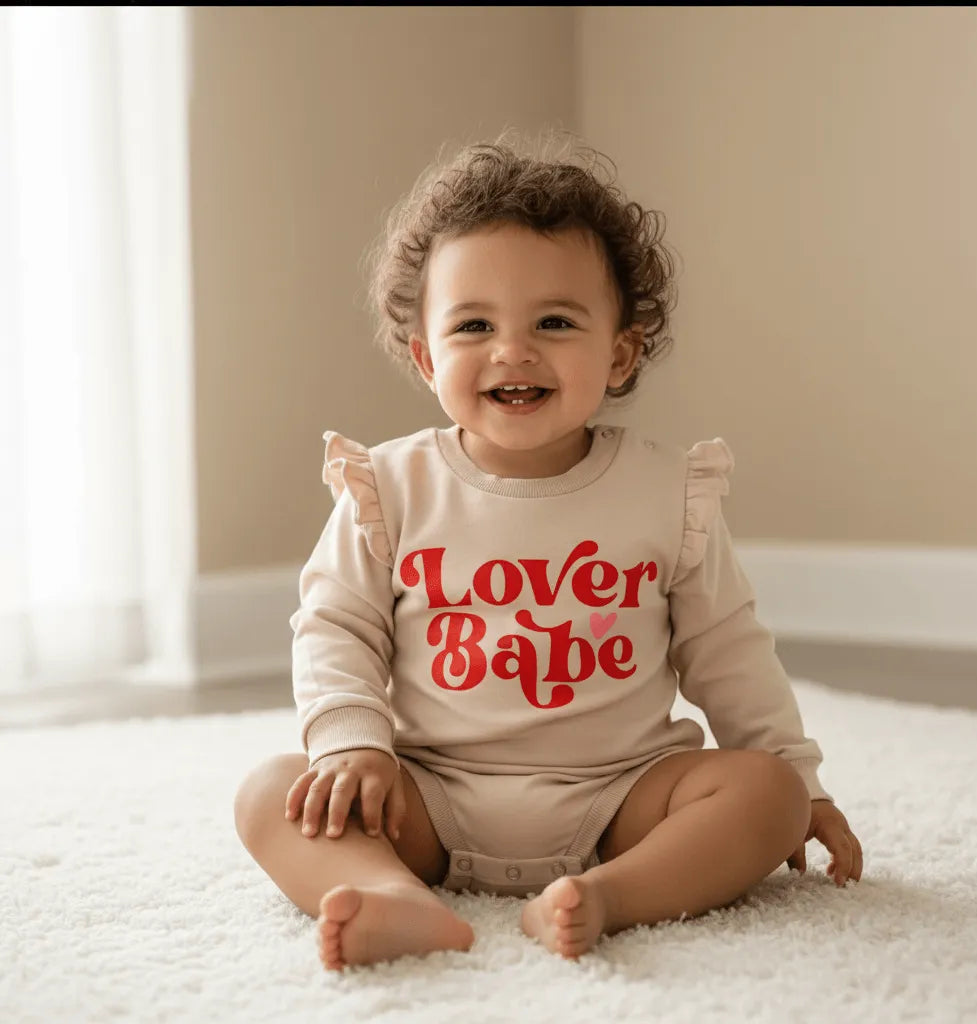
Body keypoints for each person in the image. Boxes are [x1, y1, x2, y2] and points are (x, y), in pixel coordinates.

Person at [233, 131, 864, 970]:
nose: (513, 350)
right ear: (426, 357)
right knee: (272, 794)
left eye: (555, 321)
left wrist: (802, 782)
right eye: (474, 325)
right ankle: (395, 897)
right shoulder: (386, 488)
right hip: (427, 792)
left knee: (765, 796)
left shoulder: (668, 493)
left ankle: (607, 896)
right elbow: (335, 627)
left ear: (620, 352)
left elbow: (728, 651)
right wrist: (352, 743)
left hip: (620, 799)